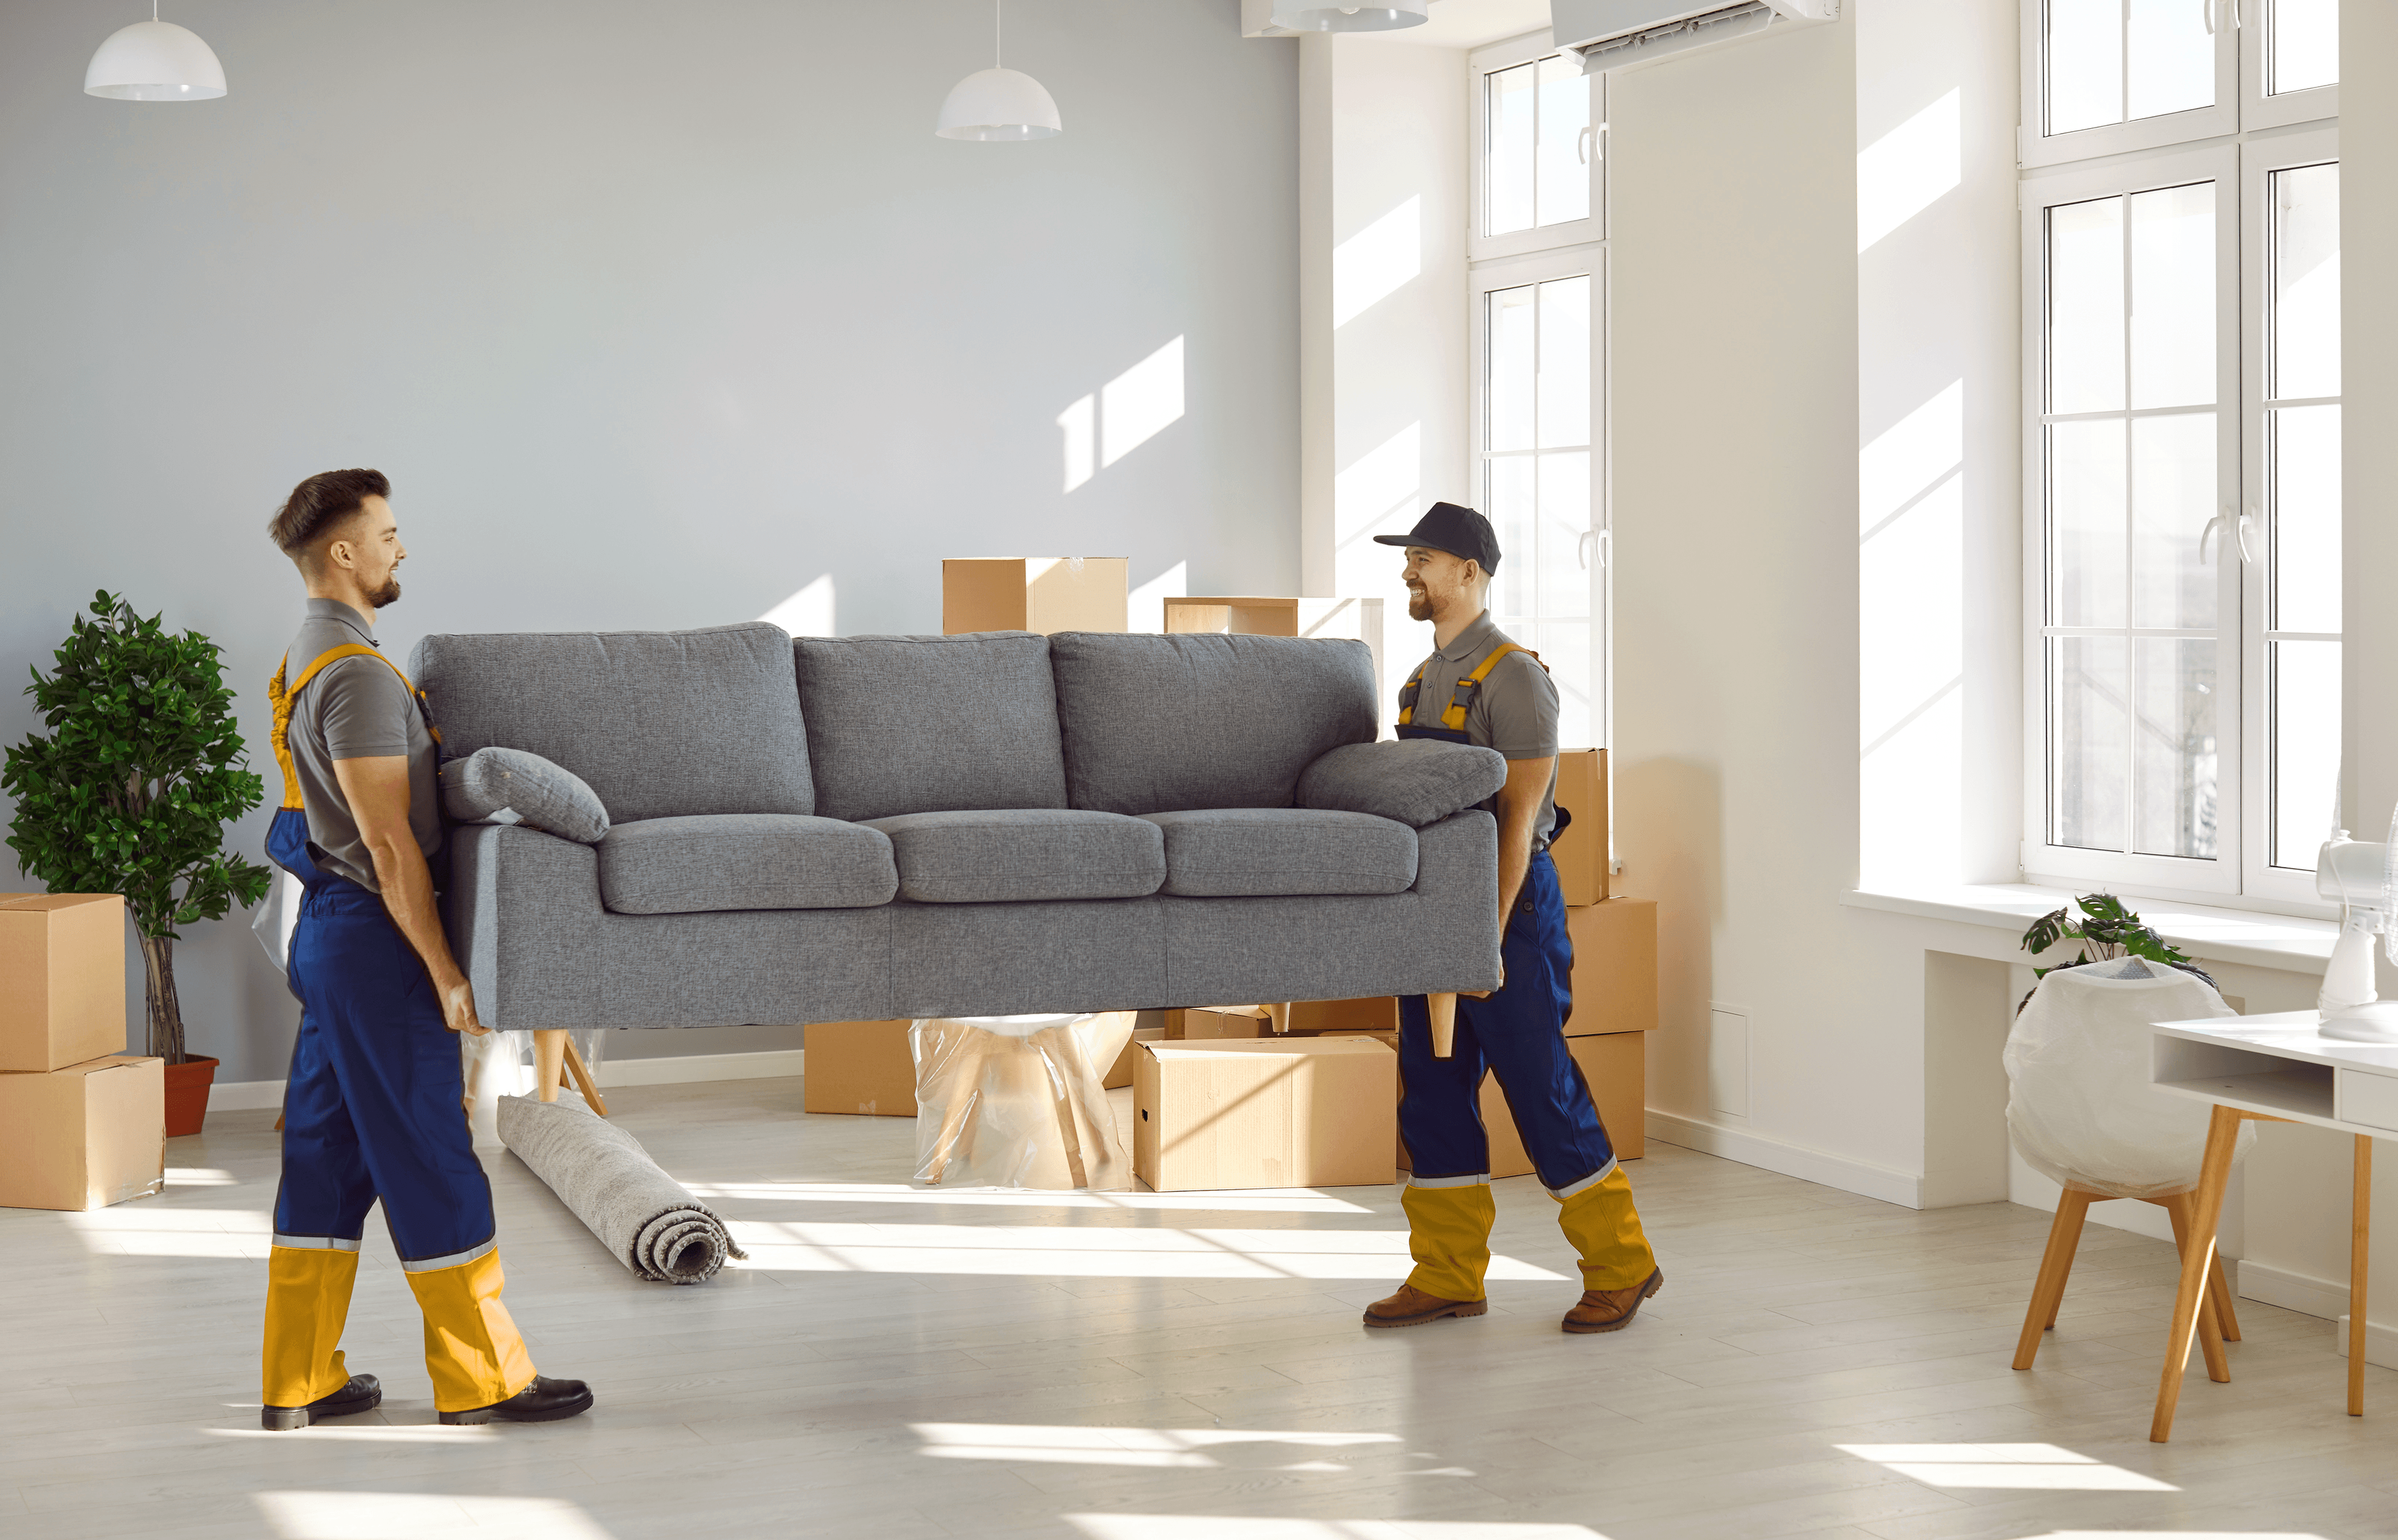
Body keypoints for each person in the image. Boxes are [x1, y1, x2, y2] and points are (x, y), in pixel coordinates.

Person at [258, 468, 591, 1429]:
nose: (402, 548)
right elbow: (389, 841)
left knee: (324, 1157)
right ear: (343, 554)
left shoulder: (307, 656)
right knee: (430, 1150)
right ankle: (484, 1376)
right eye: (389, 533)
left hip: (331, 939)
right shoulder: (358, 674)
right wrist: (446, 971)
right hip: (373, 944)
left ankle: (300, 1378)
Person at [1361, 502, 1663, 1333]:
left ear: (1471, 572)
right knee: (1431, 1092)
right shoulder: (1421, 683)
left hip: (1509, 914)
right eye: (1409, 558)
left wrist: (1483, 938)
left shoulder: (1515, 678)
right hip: (1436, 915)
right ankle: (1447, 1272)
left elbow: (1521, 823)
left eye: (1423, 558)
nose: (1409, 572)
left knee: (1540, 1091)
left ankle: (1622, 1264)